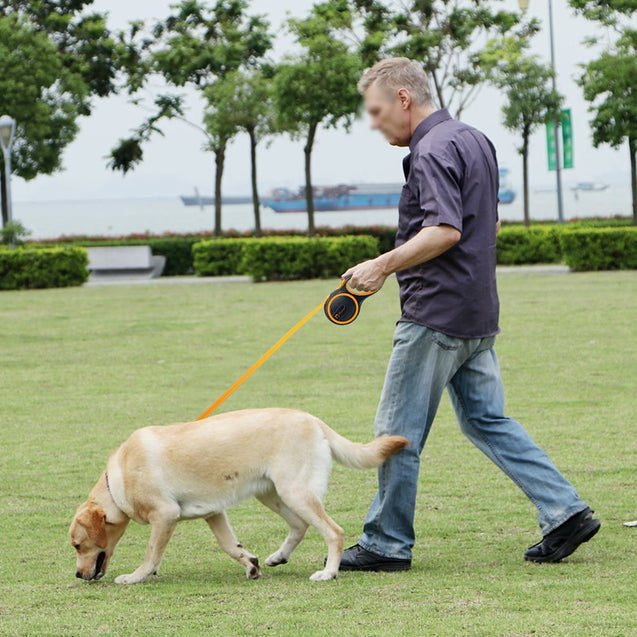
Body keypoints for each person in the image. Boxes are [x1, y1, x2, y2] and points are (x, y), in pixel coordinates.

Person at [338, 57, 600, 572]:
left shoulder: (429, 149)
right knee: (488, 420)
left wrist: (381, 266)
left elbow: (445, 230)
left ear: (403, 99)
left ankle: (387, 544)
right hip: (476, 312)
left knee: (396, 431)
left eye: (376, 111)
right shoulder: (473, 139)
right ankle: (566, 511)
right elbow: (489, 223)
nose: (374, 124)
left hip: (434, 318)